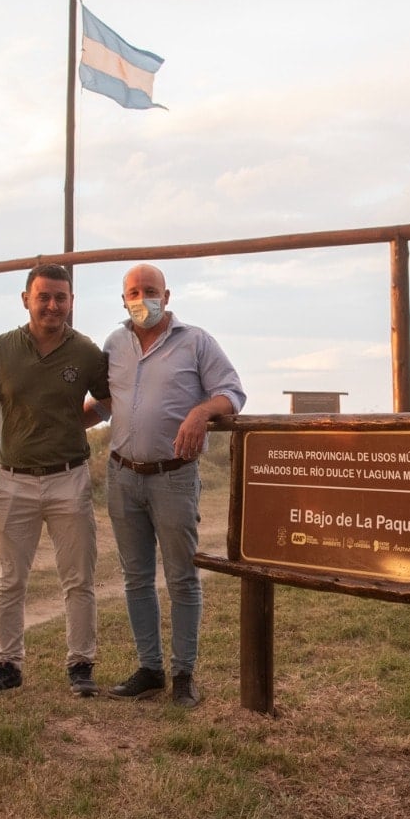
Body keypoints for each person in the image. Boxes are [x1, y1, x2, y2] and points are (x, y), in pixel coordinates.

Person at [92, 263, 245, 709]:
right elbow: (105, 403)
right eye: (134, 292)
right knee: (136, 578)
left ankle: (183, 675)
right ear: (124, 299)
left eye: (151, 290)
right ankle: (150, 668)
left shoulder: (196, 341)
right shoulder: (113, 344)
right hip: (122, 476)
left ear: (168, 295)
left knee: (182, 577)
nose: (143, 299)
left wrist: (200, 414)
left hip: (174, 477)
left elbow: (232, 393)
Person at [0, 264, 110, 698]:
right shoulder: (0, 349)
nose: (52, 305)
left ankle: (81, 665)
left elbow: (106, 400)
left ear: (72, 303)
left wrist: (74, 422)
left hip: (69, 479)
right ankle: (7, 663)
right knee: (9, 579)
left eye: (61, 298)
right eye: (43, 296)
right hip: (12, 480)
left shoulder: (85, 352)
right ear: (25, 299)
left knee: (78, 578)